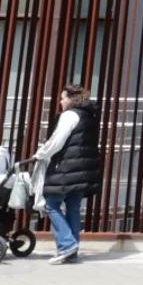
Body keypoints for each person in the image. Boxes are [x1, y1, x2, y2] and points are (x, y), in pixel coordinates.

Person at [31, 84, 102, 264]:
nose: (61, 101)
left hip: (66, 167)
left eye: (63, 98)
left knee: (51, 205)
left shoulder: (69, 115)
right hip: (82, 170)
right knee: (73, 207)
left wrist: (41, 154)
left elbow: (57, 140)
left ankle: (66, 244)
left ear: (71, 99)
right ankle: (72, 250)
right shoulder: (89, 116)